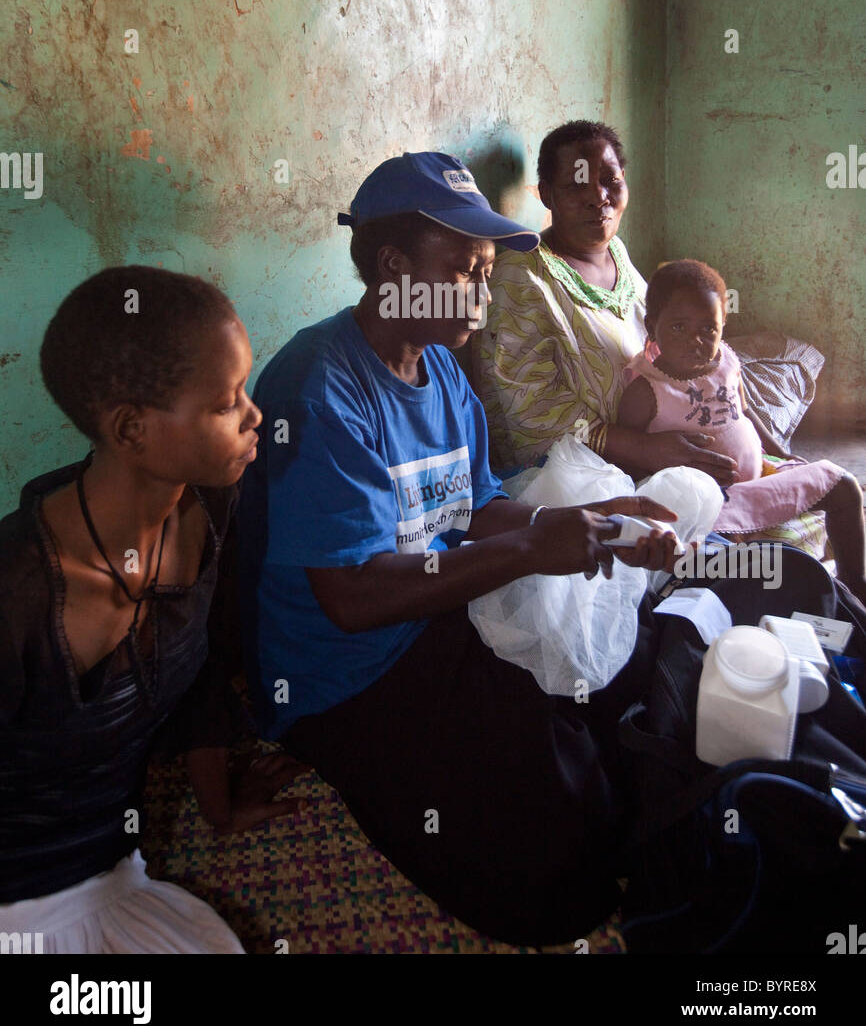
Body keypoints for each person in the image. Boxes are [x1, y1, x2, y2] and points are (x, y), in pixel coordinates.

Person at [238, 150, 680, 946]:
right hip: (346, 668)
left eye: (485, 268)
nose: (482, 288)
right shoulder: (321, 387)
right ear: (392, 265)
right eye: (465, 267)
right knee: (545, 874)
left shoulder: (441, 368)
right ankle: (314, 742)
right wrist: (532, 550)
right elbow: (353, 599)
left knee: (610, 687)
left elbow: (475, 508)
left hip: (437, 613)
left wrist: (602, 517)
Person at [0, 267, 301, 954]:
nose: (255, 416)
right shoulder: (18, 596)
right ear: (133, 429)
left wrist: (218, 808)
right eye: (227, 403)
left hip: (112, 876)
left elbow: (195, 666)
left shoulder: (207, 510)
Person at [471, 119, 828, 558]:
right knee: (752, 555)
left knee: (829, 496)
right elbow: (533, 417)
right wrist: (646, 447)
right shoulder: (521, 279)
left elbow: (666, 348)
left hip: (668, 447)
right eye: (575, 185)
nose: (597, 197)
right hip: (588, 474)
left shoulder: (615, 254)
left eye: (610, 180)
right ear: (547, 194)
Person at [616, 259, 866, 601]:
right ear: (651, 326)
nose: (696, 341)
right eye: (678, 328)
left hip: (761, 476)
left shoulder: (727, 361)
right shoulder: (646, 390)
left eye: (709, 329)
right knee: (738, 564)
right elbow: (629, 464)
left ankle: (855, 586)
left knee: (844, 486)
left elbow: (745, 411)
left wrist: (778, 450)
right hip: (716, 507)